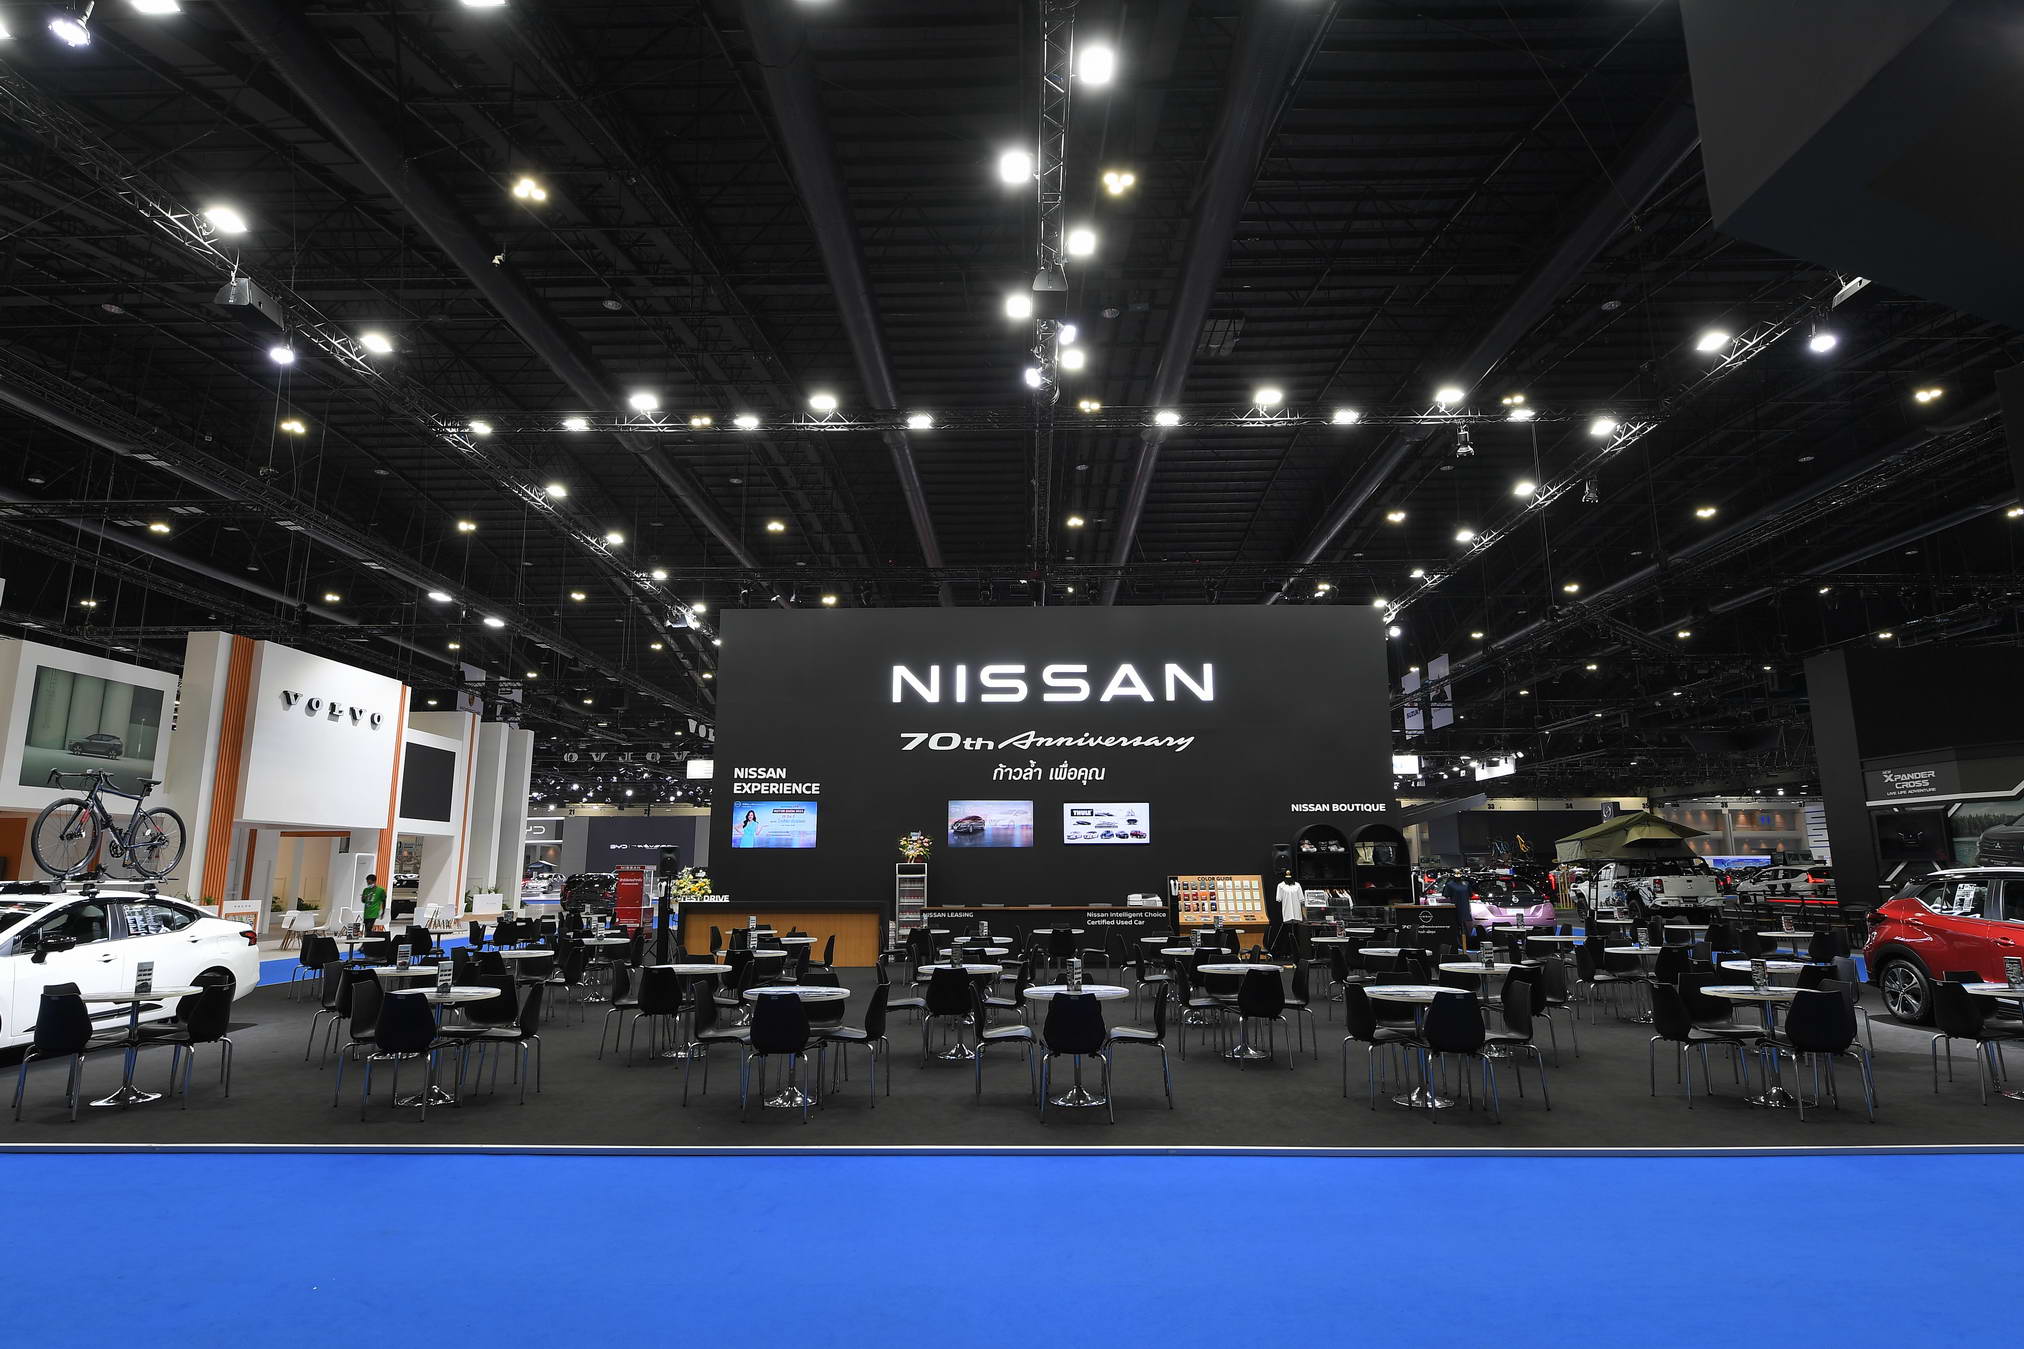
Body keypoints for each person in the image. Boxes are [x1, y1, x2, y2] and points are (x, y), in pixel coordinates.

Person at [1269, 870, 1306, 956]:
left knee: (1296, 933)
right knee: (1287, 933)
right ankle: (1287, 951)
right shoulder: (1281, 886)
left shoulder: (1297, 885)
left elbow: (1301, 899)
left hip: (1296, 913)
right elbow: (1279, 899)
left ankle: (1297, 952)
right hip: (1287, 912)